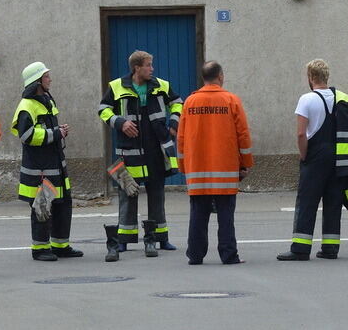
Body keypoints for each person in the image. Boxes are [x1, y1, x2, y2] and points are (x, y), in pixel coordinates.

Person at [98, 50, 183, 258]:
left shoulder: (161, 85)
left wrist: (174, 122)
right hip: (128, 152)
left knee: (157, 195)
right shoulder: (116, 86)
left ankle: (160, 238)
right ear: (137, 68)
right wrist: (120, 122)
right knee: (128, 195)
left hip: (156, 150)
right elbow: (103, 109)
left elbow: (178, 102)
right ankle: (124, 241)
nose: (152, 69)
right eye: (148, 65)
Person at [176, 61, 253, 265]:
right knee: (226, 216)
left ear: (203, 78)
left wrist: (183, 167)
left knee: (198, 215)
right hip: (225, 170)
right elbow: (243, 135)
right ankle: (228, 255)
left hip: (197, 170)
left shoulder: (190, 102)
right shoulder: (231, 100)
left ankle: (195, 255)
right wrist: (245, 164)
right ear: (220, 76)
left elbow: (181, 138)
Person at [11, 61, 83, 261]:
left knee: (62, 205)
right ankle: (40, 249)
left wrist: (58, 133)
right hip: (39, 169)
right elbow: (26, 135)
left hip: (55, 166)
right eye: (46, 76)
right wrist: (56, 133)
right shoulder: (27, 106)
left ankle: (60, 245)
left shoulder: (47, 100)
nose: (50, 79)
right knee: (41, 207)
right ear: (37, 81)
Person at [277, 59, 348, 261]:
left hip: (315, 155)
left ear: (310, 77)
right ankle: (330, 248)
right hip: (338, 155)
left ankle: (300, 249)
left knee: (307, 202)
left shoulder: (307, 99)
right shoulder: (340, 98)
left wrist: (303, 155)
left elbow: (301, 134)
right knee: (333, 201)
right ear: (326, 76)